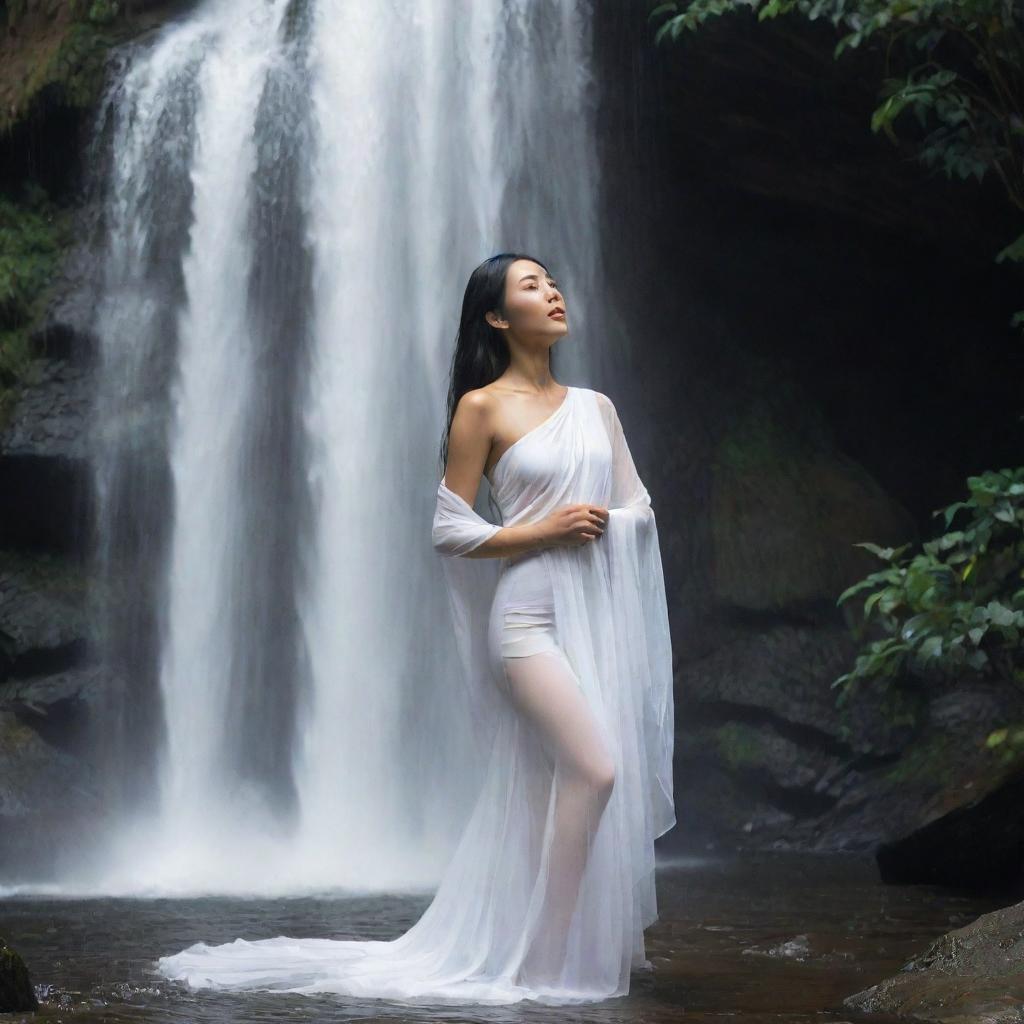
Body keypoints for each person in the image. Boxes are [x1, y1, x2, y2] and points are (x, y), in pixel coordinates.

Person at [156, 252, 676, 1006]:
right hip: (527, 621)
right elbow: (449, 528)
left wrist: (606, 526)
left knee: (540, 791)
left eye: (552, 282)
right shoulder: (481, 408)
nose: (553, 292)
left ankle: (529, 947)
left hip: (592, 613)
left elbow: (639, 508)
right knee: (595, 769)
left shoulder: (597, 408)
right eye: (532, 286)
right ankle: (540, 965)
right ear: (498, 317)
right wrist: (545, 530)